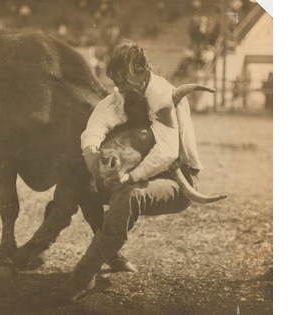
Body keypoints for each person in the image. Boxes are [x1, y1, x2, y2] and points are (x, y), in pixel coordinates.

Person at [56, 41, 204, 302]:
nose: (121, 88)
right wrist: (91, 154)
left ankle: (82, 277)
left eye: (125, 81)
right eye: (117, 83)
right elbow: (98, 122)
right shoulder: (124, 94)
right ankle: (108, 255)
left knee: (129, 196)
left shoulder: (161, 93)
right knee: (78, 179)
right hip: (136, 173)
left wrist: (130, 177)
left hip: (177, 179)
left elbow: (168, 151)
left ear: (144, 72)